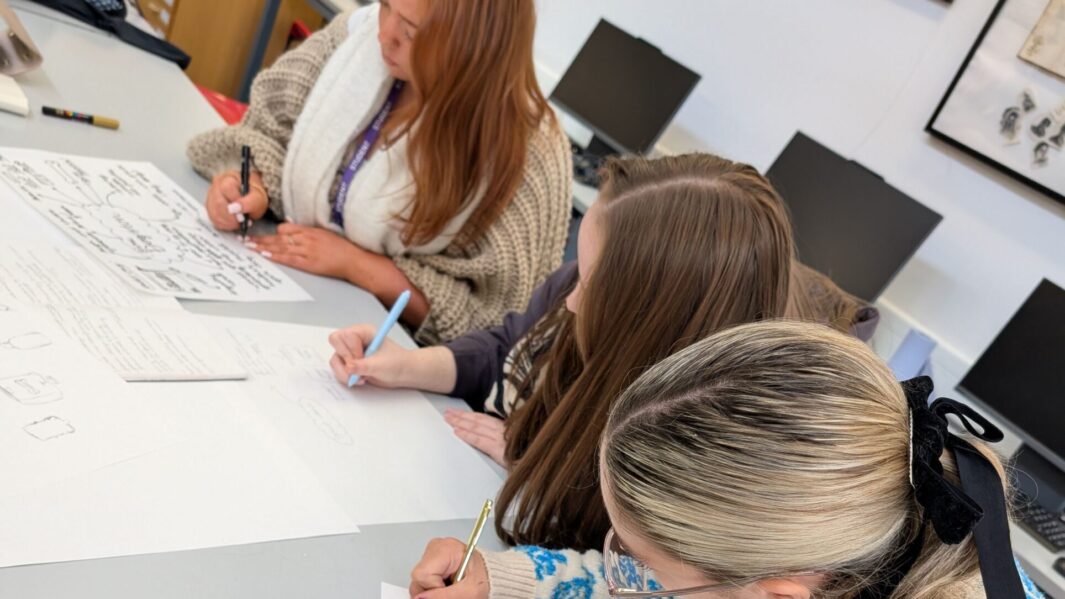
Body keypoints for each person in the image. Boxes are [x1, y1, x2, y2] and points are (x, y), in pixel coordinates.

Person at [328, 153, 795, 550]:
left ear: (650, 322)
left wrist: (529, 471)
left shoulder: (684, 463)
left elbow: (606, 562)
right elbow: (506, 348)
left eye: (590, 283)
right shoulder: (575, 288)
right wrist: (408, 364)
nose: (570, 298)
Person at [408, 321, 1045, 599]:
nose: (622, 568)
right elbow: (661, 580)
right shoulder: (834, 545)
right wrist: (506, 578)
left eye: (637, 559)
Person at [187, 0, 571, 344]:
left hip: (386, 353)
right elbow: (266, 130)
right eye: (386, 5)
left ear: (474, 46)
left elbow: (501, 328)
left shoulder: (526, 151)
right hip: (277, 294)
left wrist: (359, 266)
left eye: (411, 30)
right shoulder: (354, 38)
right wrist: (249, 184)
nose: (384, 34)